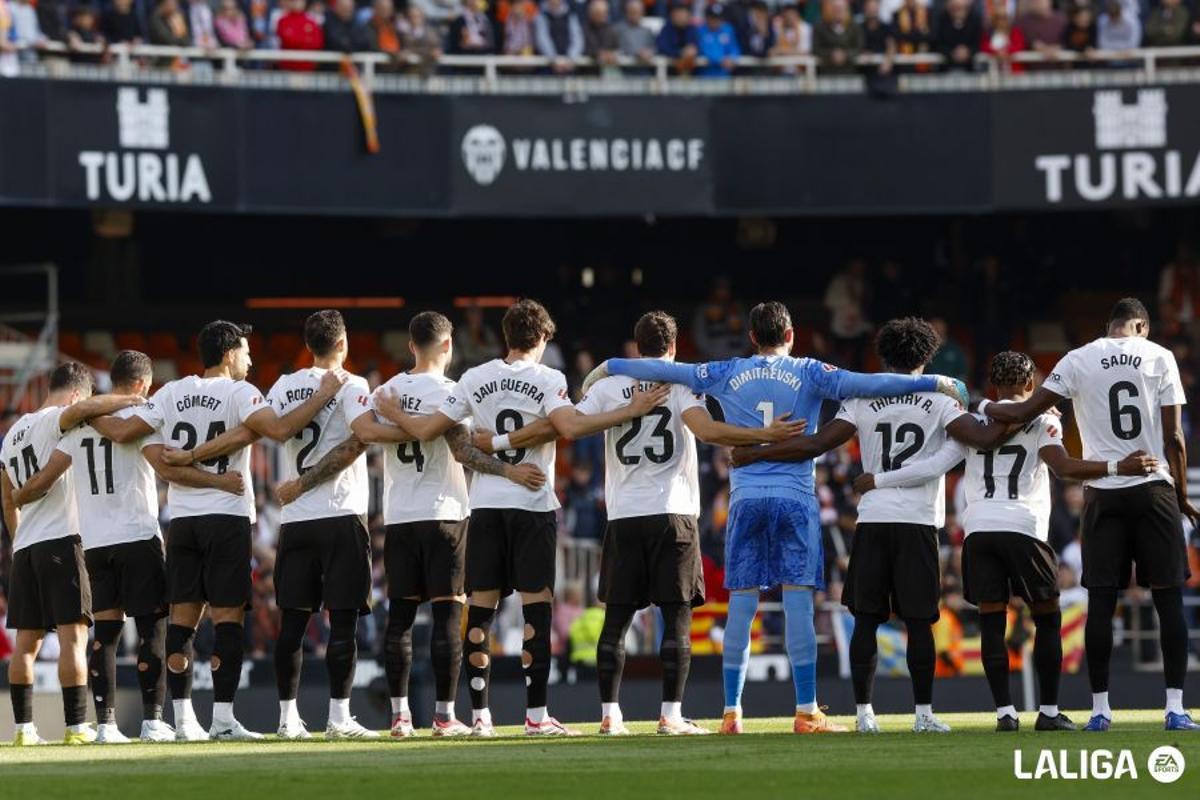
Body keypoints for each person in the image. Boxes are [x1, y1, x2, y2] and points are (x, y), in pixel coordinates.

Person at [582, 304, 970, 735]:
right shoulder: (811, 371)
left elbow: (673, 372)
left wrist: (609, 366)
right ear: (790, 334)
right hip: (795, 496)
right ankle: (806, 711)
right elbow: (869, 383)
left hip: (745, 498)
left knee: (743, 605)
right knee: (797, 603)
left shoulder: (725, 371)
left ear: (751, 336)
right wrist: (938, 381)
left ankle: (732, 712)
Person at [485, 311, 806, 734]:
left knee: (616, 619)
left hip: (623, 515)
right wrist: (765, 435)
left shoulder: (608, 386)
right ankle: (670, 715)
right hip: (673, 513)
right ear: (673, 348)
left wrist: (501, 440)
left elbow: (572, 426)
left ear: (636, 349)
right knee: (676, 618)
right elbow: (707, 431)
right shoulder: (680, 383)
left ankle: (609, 716)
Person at [374, 299, 666, 736]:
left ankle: (480, 718)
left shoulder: (474, 378)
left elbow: (450, 436)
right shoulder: (550, 378)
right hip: (532, 504)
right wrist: (629, 410)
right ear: (544, 339)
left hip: (486, 505)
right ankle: (535, 717)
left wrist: (489, 441)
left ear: (505, 337)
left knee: (481, 613)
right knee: (536, 615)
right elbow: (567, 426)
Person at [854, 351, 1159, 732]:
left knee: (992, 621)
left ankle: (1005, 714)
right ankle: (1048, 712)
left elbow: (937, 464)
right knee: (1047, 619)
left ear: (994, 383)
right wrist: (1117, 467)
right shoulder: (1044, 418)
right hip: (1024, 528)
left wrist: (879, 479)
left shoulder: (969, 422)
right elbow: (1062, 468)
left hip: (979, 530)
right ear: (1031, 385)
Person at [728, 317, 1005, 734]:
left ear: (883, 355)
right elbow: (982, 440)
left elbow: (816, 444)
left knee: (866, 620)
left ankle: (863, 714)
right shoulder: (940, 399)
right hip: (916, 522)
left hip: (873, 519)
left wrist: (757, 452)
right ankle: (924, 714)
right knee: (919, 622)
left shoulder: (862, 399)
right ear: (927, 356)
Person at [92, 320, 348, 740]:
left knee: (183, 621)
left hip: (184, 522)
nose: (249, 359)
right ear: (229, 354)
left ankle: (184, 721)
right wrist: (323, 395)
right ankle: (224, 721)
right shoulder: (240, 393)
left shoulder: (170, 392)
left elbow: (132, 438)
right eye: (246, 351)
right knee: (228, 619)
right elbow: (281, 429)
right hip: (227, 517)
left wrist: (82, 411)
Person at [292, 312, 543, 737]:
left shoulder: (386, 392)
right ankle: (445, 716)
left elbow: (362, 438)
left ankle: (400, 716)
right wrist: (508, 472)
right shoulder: (451, 392)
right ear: (448, 346)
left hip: (400, 518)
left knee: (400, 619)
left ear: (411, 346)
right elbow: (465, 454)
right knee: (448, 616)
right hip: (445, 513)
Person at [980, 298, 1200, 731]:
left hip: (1103, 492)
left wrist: (984, 406)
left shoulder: (1078, 358)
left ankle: (1100, 711)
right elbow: (1173, 435)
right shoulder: (1160, 356)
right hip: (1153, 485)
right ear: (1140, 325)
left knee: (1101, 602)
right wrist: (1179, 493)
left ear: (1109, 325)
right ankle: (1174, 708)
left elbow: (1024, 410)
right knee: (1167, 597)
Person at [7, 352, 243, 744]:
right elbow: (165, 465)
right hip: (136, 535)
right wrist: (214, 478)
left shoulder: (77, 429)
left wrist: (20, 494)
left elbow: (47, 475)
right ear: (139, 385)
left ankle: (106, 726)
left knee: (106, 634)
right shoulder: (143, 419)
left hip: (95, 543)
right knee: (152, 627)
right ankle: (152, 721)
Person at [1, 363, 145, 745]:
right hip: (62, 541)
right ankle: (76, 727)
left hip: (26, 548)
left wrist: (18, 540)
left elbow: (6, 495)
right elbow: (81, 413)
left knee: (25, 645)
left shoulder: (13, 432)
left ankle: (23, 730)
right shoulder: (55, 421)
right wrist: (132, 397)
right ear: (78, 394)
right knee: (73, 639)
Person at [813, 0, 862, 74]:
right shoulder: (820, 27)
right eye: (835, 9)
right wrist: (831, 54)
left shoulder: (855, 27)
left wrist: (845, 55)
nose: (838, 12)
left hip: (849, 72)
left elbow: (859, 47)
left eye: (841, 9)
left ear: (847, 10)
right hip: (826, 72)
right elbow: (815, 48)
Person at [535, 0, 584, 73]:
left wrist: (571, 59)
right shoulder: (541, 16)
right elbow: (542, 40)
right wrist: (554, 59)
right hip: (547, 67)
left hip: (569, 66)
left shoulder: (570, 15)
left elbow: (577, 39)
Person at [934, 0, 981, 71]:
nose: (958, 10)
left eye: (960, 7)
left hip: (969, 68)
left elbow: (978, 44)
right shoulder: (941, 19)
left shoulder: (975, 19)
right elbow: (937, 43)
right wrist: (952, 52)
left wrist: (968, 52)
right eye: (955, 7)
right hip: (946, 68)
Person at [656, 0, 699, 73]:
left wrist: (693, 50)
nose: (680, 16)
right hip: (670, 71)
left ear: (688, 15)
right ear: (672, 15)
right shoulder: (666, 29)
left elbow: (697, 47)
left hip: (691, 72)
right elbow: (662, 49)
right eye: (677, 13)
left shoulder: (692, 29)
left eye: (682, 13)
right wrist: (681, 52)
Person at [697, 3, 740, 77]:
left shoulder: (728, 30)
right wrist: (720, 60)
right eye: (712, 18)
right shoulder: (700, 31)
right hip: (705, 77)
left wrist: (732, 58)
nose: (715, 21)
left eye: (718, 18)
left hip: (724, 76)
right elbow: (703, 49)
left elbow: (734, 48)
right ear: (707, 18)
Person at [614, 0, 656, 65]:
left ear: (642, 13)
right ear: (626, 12)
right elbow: (619, 50)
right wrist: (638, 54)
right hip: (624, 69)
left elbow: (654, 48)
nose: (635, 15)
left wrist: (649, 52)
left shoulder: (647, 31)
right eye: (632, 12)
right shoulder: (617, 29)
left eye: (638, 12)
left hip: (645, 68)